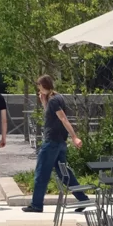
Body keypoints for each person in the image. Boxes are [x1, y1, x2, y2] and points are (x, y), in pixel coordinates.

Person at [24, 75, 89, 213]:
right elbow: (51, 117)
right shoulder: (57, 98)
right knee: (64, 173)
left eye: (39, 86)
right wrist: (43, 102)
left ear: (43, 85)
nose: (38, 89)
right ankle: (83, 198)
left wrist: (74, 137)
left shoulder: (53, 100)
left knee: (42, 172)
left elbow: (63, 119)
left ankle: (36, 204)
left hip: (51, 142)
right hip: (60, 142)